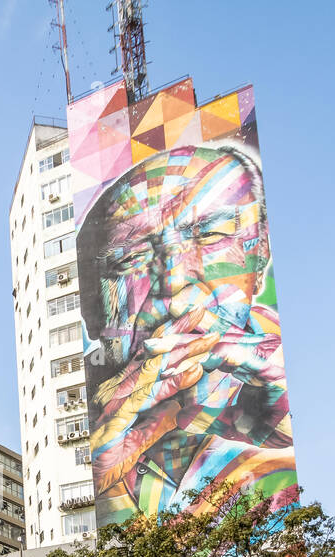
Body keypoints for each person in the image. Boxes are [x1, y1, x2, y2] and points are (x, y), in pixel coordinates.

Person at [76, 142, 296, 525]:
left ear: (259, 255)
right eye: (130, 259)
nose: (175, 282)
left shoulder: (289, 402)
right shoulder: (89, 437)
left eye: (210, 235)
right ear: (91, 309)